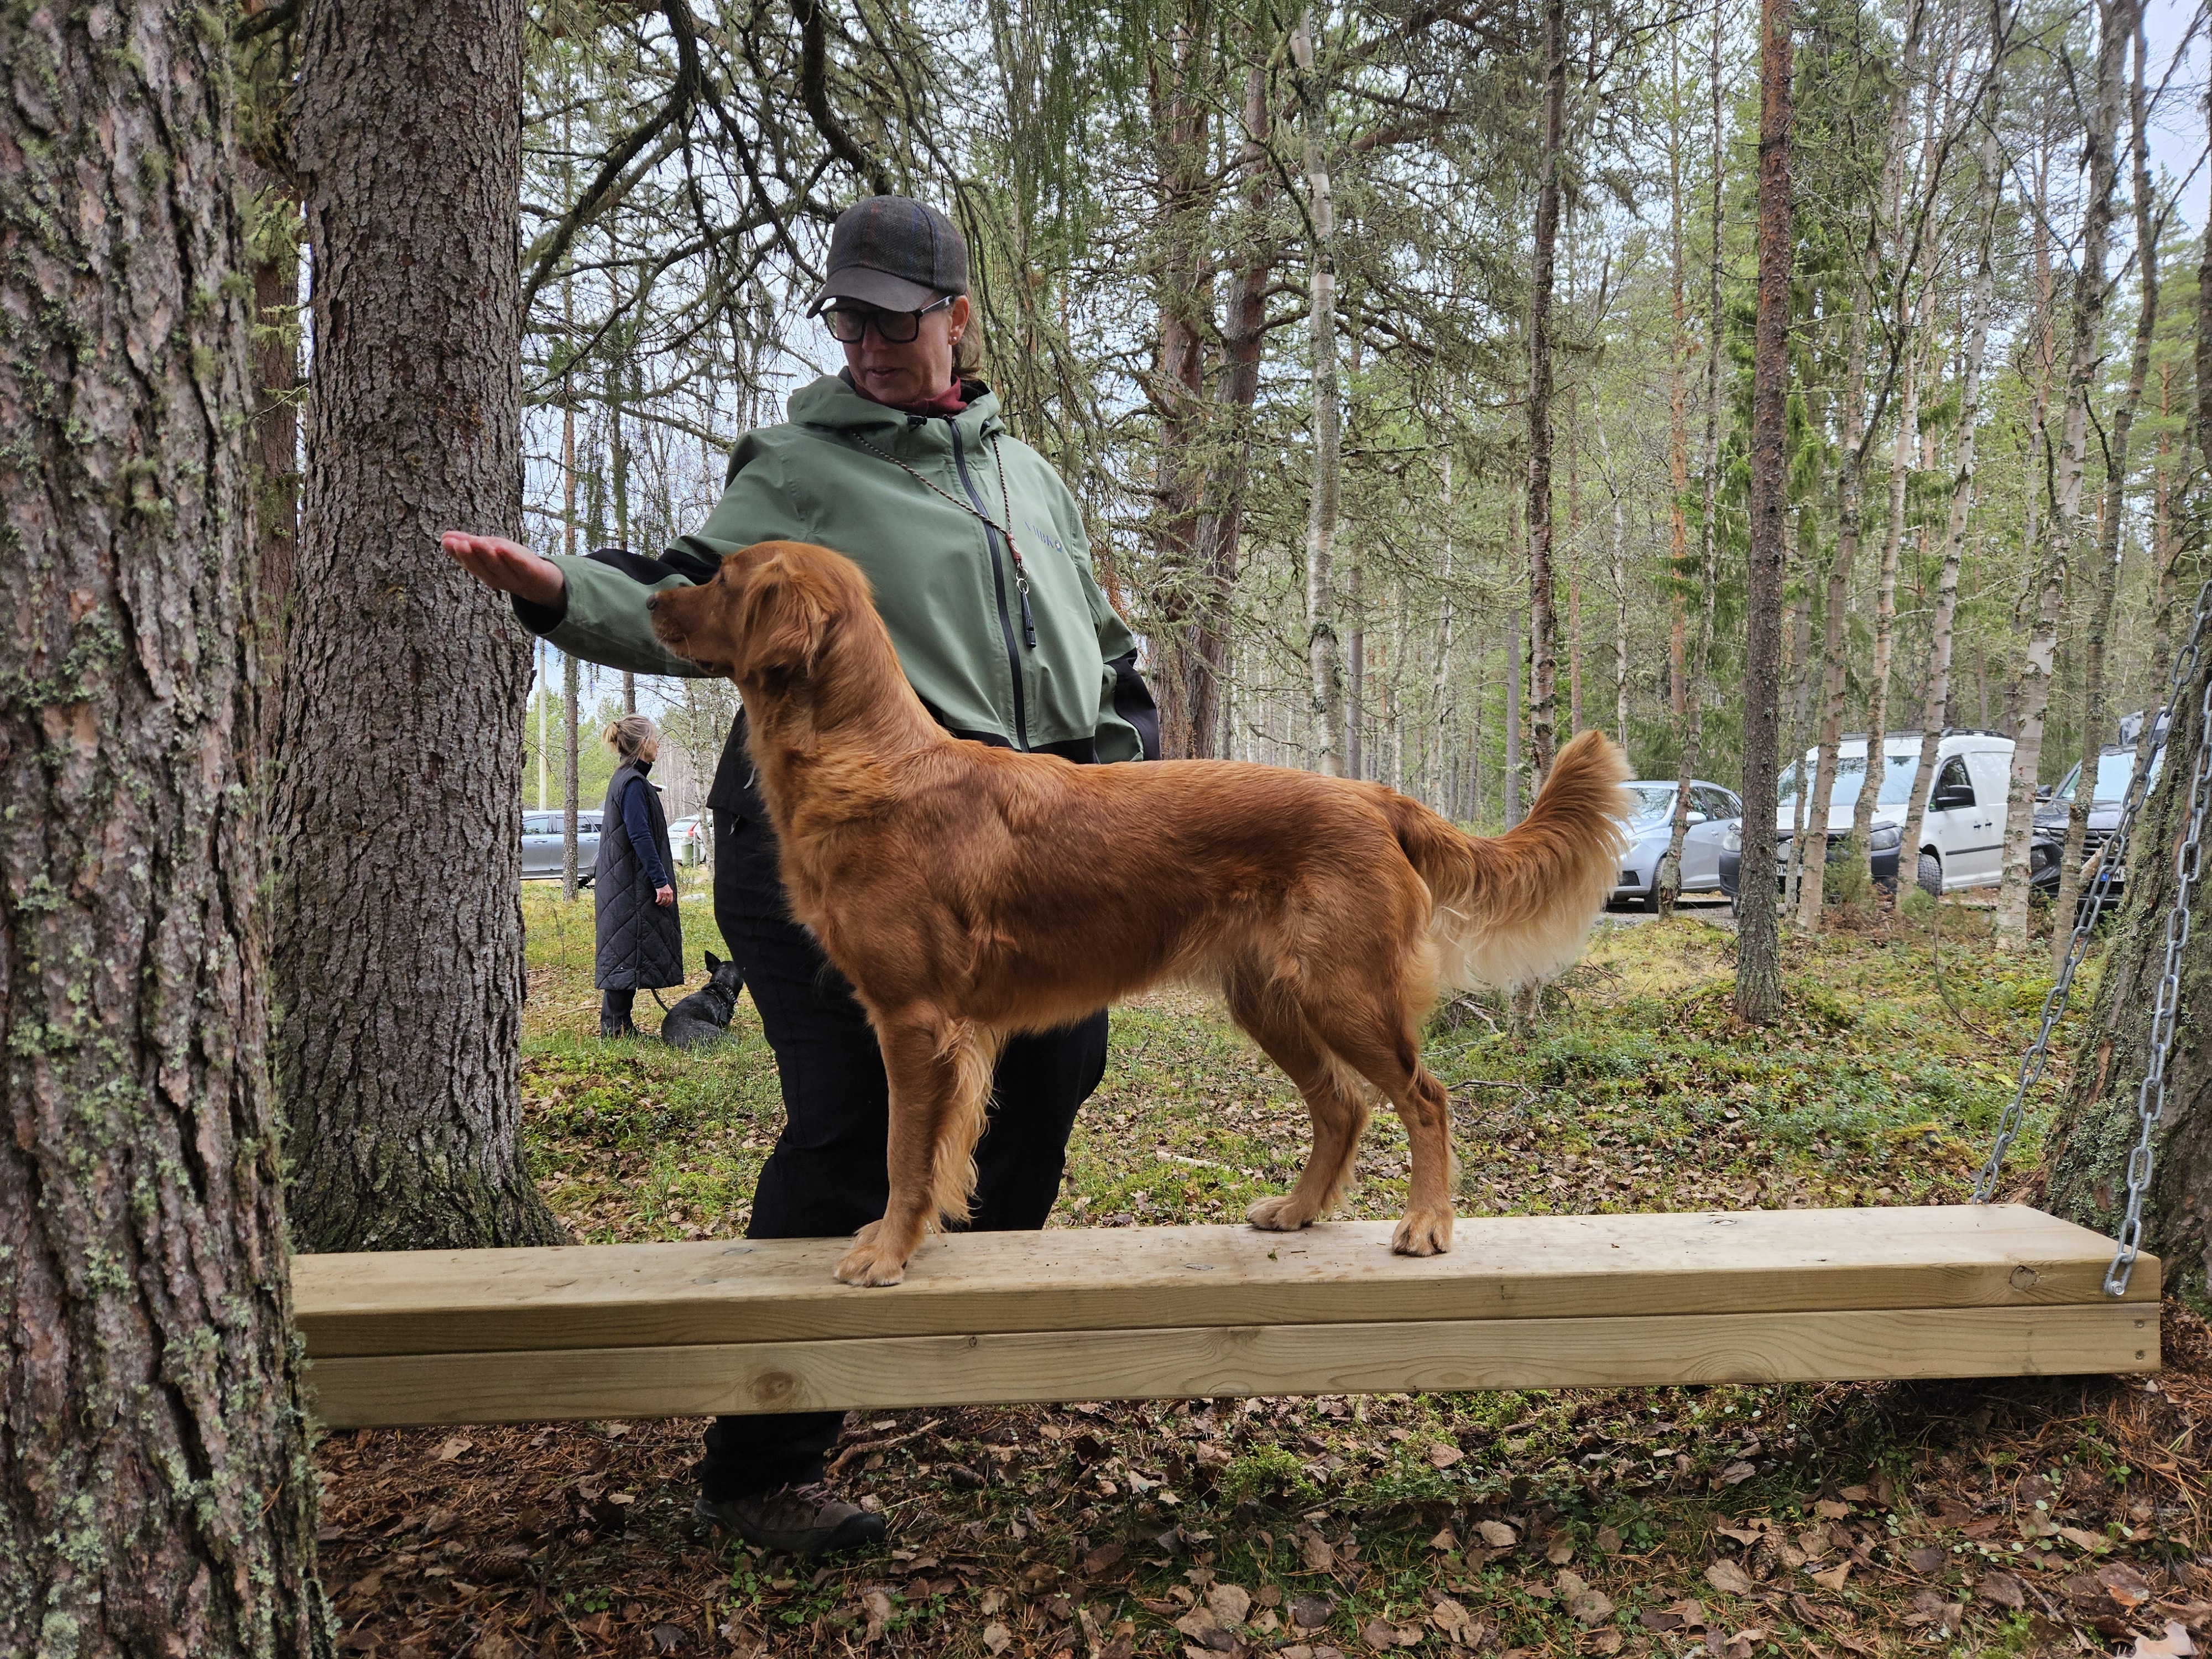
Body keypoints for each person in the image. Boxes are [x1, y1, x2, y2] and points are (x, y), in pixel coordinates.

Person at [444, 195, 1157, 1557]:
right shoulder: (798, 463)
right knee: (849, 1120)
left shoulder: (1029, 477)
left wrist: (1136, 759)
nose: (870, 342)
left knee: (1052, 1082)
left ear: (958, 316)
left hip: (1025, 848)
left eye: (895, 318)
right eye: (849, 317)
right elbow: (684, 593)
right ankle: (760, 1457)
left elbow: (1105, 647)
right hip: (838, 843)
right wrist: (556, 593)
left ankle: (912, 1340)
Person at [594, 714, 682, 1039]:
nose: (658, 743)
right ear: (643, 744)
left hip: (624, 882)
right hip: (630, 883)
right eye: (655, 738)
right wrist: (660, 880)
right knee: (624, 948)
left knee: (624, 948)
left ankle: (618, 1025)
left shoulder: (628, 779)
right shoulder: (632, 783)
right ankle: (614, 1028)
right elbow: (640, 835)